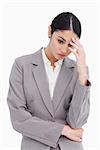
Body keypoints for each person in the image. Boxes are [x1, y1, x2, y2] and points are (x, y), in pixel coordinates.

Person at [7, 12, 91, 150]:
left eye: (70, 45)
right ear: (50, 31)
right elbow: (19, 119)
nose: (64, 50)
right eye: (60, 40)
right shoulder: (22, 66)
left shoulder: (79, 71)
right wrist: (63, 130)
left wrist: (82, 74)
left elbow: (76, 122)